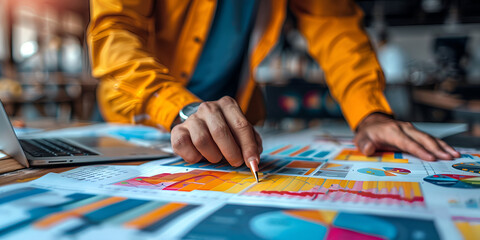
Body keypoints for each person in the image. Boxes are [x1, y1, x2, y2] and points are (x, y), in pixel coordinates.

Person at [87, 0, 460, 170]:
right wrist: (177, 106)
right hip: (135, 118)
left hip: (234, 125)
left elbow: (334, 26)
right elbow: (113, 31)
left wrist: (371, 113)